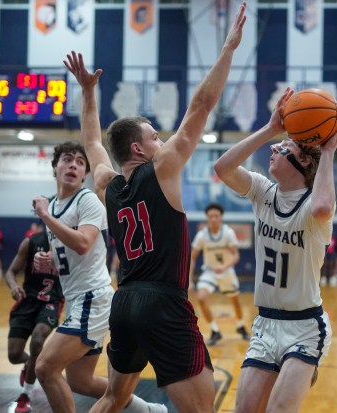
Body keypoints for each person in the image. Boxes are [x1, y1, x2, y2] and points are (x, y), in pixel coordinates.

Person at [64, 4, 246, 412]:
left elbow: (93, 142)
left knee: (113, 397)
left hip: (124, 303)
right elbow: (200, 106)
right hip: (164, 303)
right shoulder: (162, 169)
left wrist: (88, 92)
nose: (162, 141)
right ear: (138, 148)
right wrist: (229, 49)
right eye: (155, 136)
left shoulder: (107, 185)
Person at [213, 85, 337, 412]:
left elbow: (325, 206)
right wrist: (270, 128)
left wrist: (328, 152)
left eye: (283, 146)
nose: (273, 148)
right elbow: (222, 168)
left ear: (302, 160)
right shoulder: (262, 191)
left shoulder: (314, 208)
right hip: (265, 324)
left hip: (304, 327)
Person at [31, 142, 166, 413]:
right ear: (54, 167)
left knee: (45, 368)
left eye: (80, 163)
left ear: (85, 175)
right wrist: (50, 263)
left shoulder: (87, 200)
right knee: (80, 381)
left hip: (93, 299)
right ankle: (148, 411)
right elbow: (74, 258)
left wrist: (45, 217)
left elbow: (83, 243)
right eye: (67, 160)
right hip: (77, 300)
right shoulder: (55, 205)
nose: (73, 165)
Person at [5, 225, 64, 413]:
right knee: (14, 355)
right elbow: (10, 272)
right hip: (28, 300)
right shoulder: (30, 242)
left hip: (52, 301)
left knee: (38, 338)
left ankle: (26, 395)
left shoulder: (70, 243)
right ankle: (29, 363)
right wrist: (14, 286)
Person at [189, 202, 251, 346]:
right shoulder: (202, 235)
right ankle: (215, 330)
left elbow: (236, 256)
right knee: (201, 297)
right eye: (211, 216)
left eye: (216, 216)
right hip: (210, 272)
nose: (214, 219)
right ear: (207, 218)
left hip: (226, 271)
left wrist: (224, 266)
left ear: (221, 217)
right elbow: (192, 257)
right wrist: (190, 280)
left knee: (235, 301)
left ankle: (241, 326)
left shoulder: (228, 232)